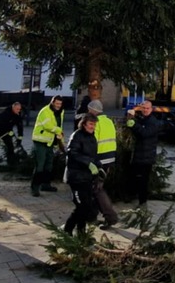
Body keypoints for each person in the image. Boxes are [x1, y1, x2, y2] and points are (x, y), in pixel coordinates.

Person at [62, 113, 102, 234]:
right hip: (76, 177)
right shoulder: (77, 136)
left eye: (94, 124)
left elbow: (93, 156)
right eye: (90, 124)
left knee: (87, 206)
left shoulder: (92, 138)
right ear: (84, 124)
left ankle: (81, 232)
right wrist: (88, 163)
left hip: (87, 178)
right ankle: (68, 229)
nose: (92, 127)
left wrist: (99, 166)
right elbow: (72, 153)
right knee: (81, 206)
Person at [86, 99, 119, 229]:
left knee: (97, 190)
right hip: (110, 159)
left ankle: (110, 217)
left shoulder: (96, 123)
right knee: (96, 189)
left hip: (99, 159)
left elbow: (92, 142)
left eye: (89, 110)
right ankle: (92, 216)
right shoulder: (109, 121)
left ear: (92, 110)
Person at [124, 99, 162, 207]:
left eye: (147, 108)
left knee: (143, 180)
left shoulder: (153, 122)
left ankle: (143, 202)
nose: (145, 110)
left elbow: (145, 133)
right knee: (133, 177)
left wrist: (134, 125)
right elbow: (137, 130)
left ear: (151, 109)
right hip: (139, 155)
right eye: (144, 108)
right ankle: (132, 195)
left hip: (146, 156)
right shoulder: (143, 119)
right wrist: (131, 118)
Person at [30, 95, 65, 196]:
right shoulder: (45, 111)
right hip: (40, 141)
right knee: (40, 165)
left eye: (60, 104)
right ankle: (35, 188)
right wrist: (59, 131)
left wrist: (60, 139)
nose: (58, 105)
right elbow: (48, 126)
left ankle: (45, 184)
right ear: (52, 102)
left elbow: (59, 124)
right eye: (57, 103)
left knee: (49, 164)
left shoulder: (61, 112)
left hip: (50, 142)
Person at [0, 101, 25, 170]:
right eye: (17, 109)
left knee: (10, 147)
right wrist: (10, 132)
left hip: (7, 133)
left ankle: (11, 164)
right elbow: (3, 125)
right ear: (13, 107)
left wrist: (20, 138)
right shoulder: (6, 113)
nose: (19, 111)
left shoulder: (17, 115)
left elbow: (20, 127)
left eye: (19, 109)